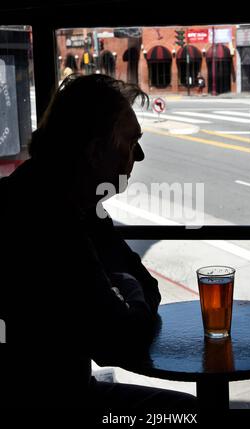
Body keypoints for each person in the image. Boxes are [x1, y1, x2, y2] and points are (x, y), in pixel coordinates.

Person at [0, 74, 198, 420]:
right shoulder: (49, 218)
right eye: (130, 142)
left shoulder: (70, 199)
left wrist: (128, 293)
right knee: (189, 414)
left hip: (55, 392)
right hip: (48, 403)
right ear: (94, 152)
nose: (138, 154)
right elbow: (119, 338)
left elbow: (145, 289)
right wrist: (128, 291)